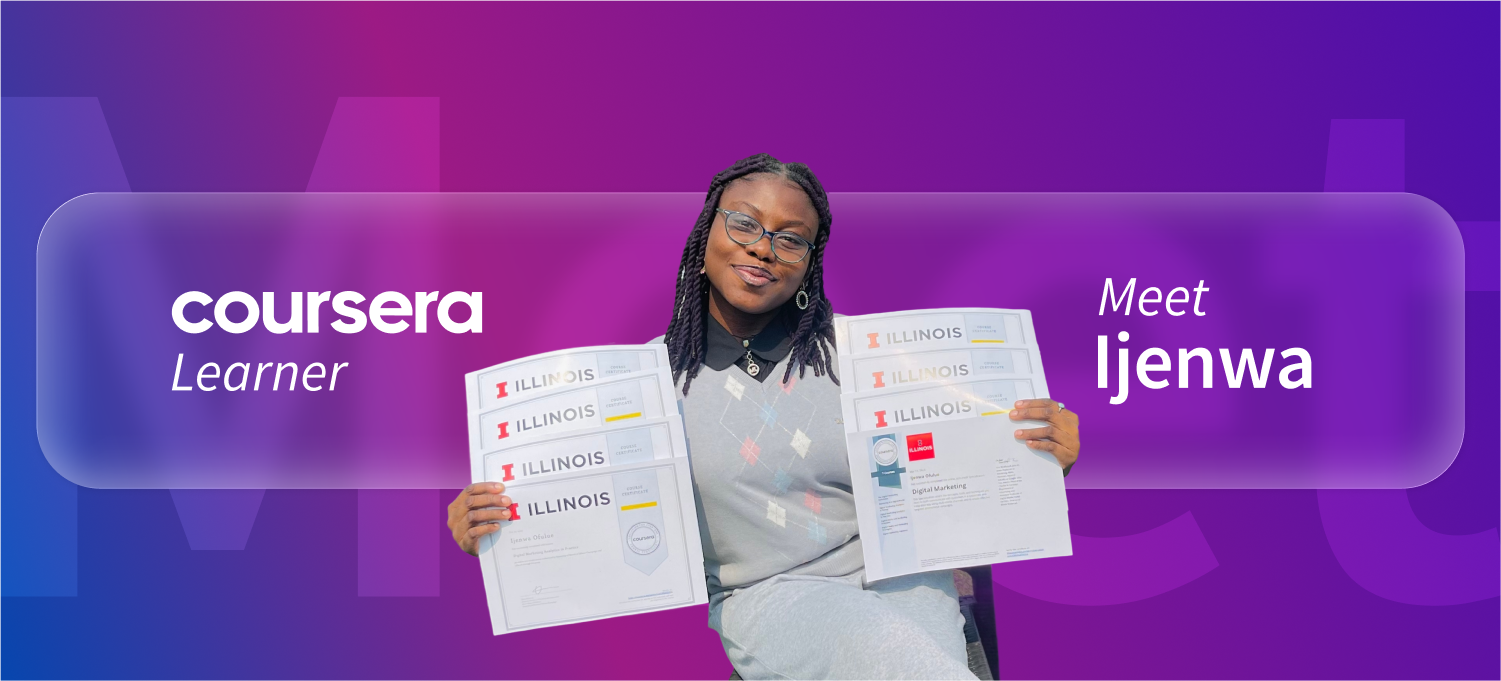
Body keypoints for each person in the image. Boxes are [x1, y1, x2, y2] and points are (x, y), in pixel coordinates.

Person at [447, 154, 1081, 680]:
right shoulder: (636, 387)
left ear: (809, 262)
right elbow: (582, 507)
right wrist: (499, 535)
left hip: (903, 575)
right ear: (705, 236)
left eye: (790, 237)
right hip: (768, 594)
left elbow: (960, 469)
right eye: (744, 223)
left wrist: (1039, 456)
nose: (763, 247)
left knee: (931, 661)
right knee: (905, 664)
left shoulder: (867, 357)